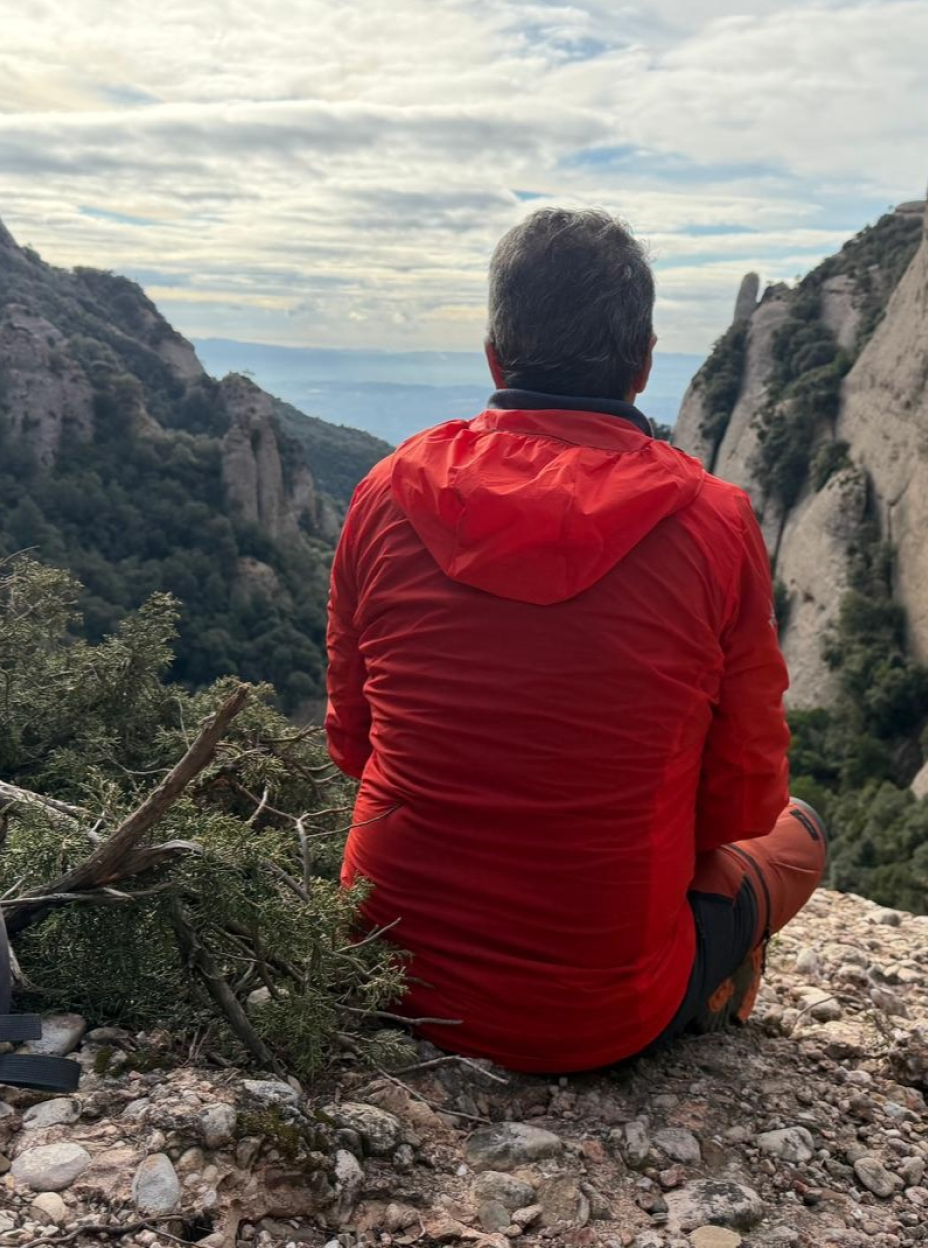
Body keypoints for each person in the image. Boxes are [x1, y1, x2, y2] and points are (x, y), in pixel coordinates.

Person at [326, 208, 827, 1074]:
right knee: (798, 832)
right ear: (644, 362)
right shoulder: (714, 522)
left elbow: (352, 743)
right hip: (596, 1017)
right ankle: (718, 989)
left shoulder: (384, 491)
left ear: (495, 357)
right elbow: (745, 799)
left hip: (383, 966)